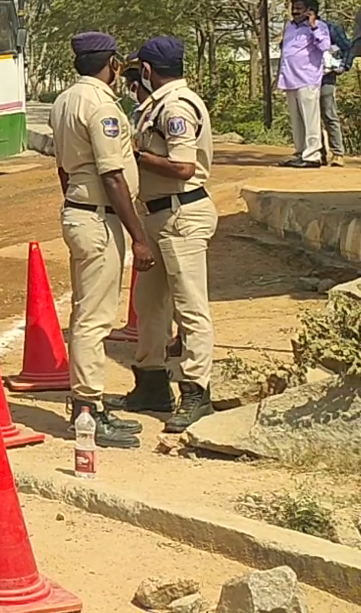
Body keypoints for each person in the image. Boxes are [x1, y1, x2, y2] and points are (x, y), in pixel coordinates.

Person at [50, 32, 154, 448]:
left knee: (84, 312)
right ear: (110, 63)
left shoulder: (64, 101)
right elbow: (113, 175)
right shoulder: (100, 106)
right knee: (94, 320)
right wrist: (139, 237)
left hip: (79, 211)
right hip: (98, 218)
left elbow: (62, 167)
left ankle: (88, 405)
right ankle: (88, 410)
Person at [122, 37, 218, 433]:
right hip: (159, 214)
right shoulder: (157, 106)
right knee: (149, 304)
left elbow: (182, 166)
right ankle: (152, 382)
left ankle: (196, 390)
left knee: (190, 306)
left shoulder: (176, 107)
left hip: (182, 213)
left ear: (147, 70)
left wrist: (137, 155)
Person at [277, 0, 331, 168]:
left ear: (310, 10)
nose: (295, 11)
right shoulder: (289, 27)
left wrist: (313, 26)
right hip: (290, 78)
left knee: (310, 119)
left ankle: (313, 155)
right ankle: (301, 152)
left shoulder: (319, 27)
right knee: (297, 120)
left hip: (307, 78)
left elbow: (324, 47)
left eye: (299, 8)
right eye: (293, 7)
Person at [319, 5, 353, 163]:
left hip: (326, 76)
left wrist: (343, 66)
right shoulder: (296, 30)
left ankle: (337, 153)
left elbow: (348, 47)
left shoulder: (330, 28)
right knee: (310, 117)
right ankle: (318, 153)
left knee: (328, 113)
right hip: (304, 78)